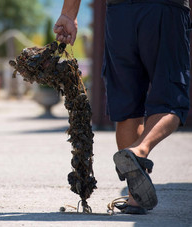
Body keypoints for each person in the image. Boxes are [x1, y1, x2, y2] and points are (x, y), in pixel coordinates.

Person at [54, 0, 190, 214]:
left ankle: (135, 199)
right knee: (172, 100)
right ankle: (139, 151)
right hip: (165, 9)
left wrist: (68, 15)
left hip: (120, 14)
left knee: (128, 108)